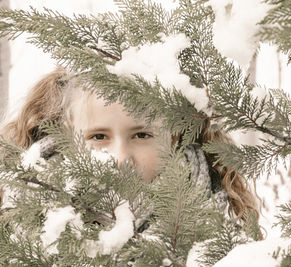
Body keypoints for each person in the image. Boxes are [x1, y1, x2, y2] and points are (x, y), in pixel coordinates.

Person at [0, 67, 258, 222]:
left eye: (142, 135)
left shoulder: (218, 222)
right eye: (98, 137)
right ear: (68, 139)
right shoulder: (31, 222)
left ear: (173, 138)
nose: (121, 158)